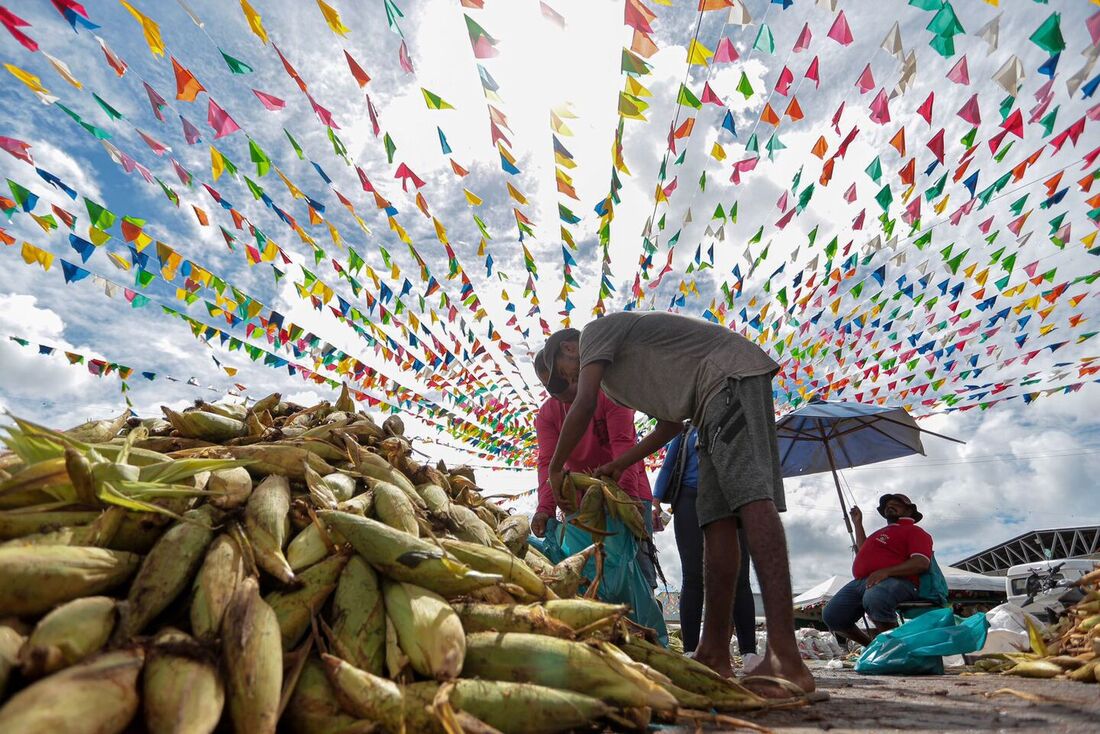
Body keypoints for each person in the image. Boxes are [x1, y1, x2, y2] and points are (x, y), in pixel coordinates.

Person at [542, 312, 813, 696]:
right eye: (562, 386)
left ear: (569, 347)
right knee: (716, 520)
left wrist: (556, 469)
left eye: (564, 374)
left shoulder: (594, 334)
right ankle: (713, 653)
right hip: (704, 408)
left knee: (752, 498)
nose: (570, 384)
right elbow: (670, 426)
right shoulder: (620, 387)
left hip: (727, 377)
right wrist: (621, 463)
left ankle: (787, 659)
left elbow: (584, 404)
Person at [531, 343, 657, 589]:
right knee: (590, 577)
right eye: (553, 387)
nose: (564, 390)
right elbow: (548, 462)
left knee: (639, 572)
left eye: (568, 379)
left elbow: (624, 444)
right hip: (581, 505)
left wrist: (626, 500)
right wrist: (545, 507)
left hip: (627, 491)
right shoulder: (547, 415)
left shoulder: (611, 392)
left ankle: (646, 622)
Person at [653, 426, 757, 659]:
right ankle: (691, 650)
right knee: (692, 576)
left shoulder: (735, 419)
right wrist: (656, 500)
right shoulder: (685, 429)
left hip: (731, 499)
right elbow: (668, 465)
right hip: (690, 499)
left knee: (739, 576)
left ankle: (749, 652)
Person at [822, 494, 932, 646]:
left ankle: (894, 648)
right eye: (887, 505)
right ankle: (872, 646)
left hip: (900, 581)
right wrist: (857, 523)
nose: (889, 506)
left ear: (909, 511)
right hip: (864, 581)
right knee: (832, 615)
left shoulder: (915, 531)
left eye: (896, 504)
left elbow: (921, 562)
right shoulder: (880, 533)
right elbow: (863, 549)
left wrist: (886, 571)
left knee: (876, 596)